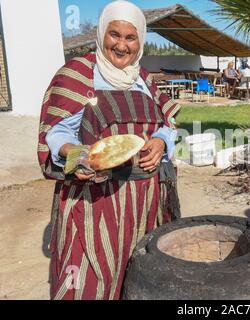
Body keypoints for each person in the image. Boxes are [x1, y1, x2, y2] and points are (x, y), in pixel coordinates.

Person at [37, 0, 181, 300]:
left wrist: (162, 141)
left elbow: (169, 121)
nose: (122, 45)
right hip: (96, 202)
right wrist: (80, 156)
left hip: (146, 205)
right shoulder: (77, 74)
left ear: (140, 40)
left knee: (140, 275)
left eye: (130, 38)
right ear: (101, 34)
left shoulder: (143, 79)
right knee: (93, 278)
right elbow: (56, 134)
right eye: (114, 34)